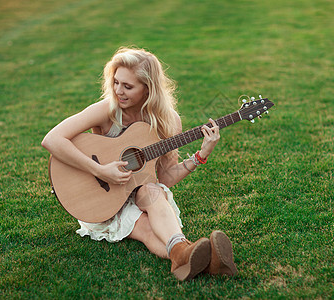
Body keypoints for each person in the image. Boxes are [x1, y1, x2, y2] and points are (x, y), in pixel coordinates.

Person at [41, 47, 238, 280]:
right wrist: (100, 170)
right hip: (100, 199)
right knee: (144, 227)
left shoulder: (168, 121)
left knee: (153, 189)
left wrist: (200, 156)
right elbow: (52, 139)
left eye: (128, 86)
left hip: (138, 191)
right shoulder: (107, 109)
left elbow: (164, 177)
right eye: (115, 82)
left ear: (148, 89)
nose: (118, 91)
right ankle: (205, 260)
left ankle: (184, 256)